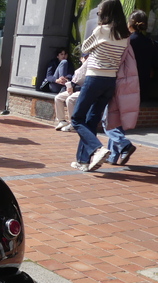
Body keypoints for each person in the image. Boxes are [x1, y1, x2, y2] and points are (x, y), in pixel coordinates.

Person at [69, 0, 129, 172]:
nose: (98, 14)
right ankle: (83, 161)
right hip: (110, 81)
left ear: (106, 13)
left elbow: (85, 47)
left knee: (76, 118)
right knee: (91, 120)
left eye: (100, 11)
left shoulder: (102, 30)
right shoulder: (124, 34)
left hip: (94, 78)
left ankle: (97, 148)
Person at [103, 10, 155, 165]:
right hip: (140, 88)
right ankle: (114, 155)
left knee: (108, 119)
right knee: (119, 118)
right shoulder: (151, 43)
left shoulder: (126, 41)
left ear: (130, 22)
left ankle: (124, 144)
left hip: (123, 84)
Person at [54, 54, 88, 131]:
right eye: (84, 58)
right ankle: (62, 121)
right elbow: (74, 81)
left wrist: (74, 87)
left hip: (83, 91)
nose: (86, 60)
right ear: (81, 59)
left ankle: (73, 124)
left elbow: (87, 84)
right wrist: (68, 84)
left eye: (87, 58)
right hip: (75, 90)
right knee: (58, 97)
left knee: (70, 99)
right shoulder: (80, 69)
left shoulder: (89, 69)